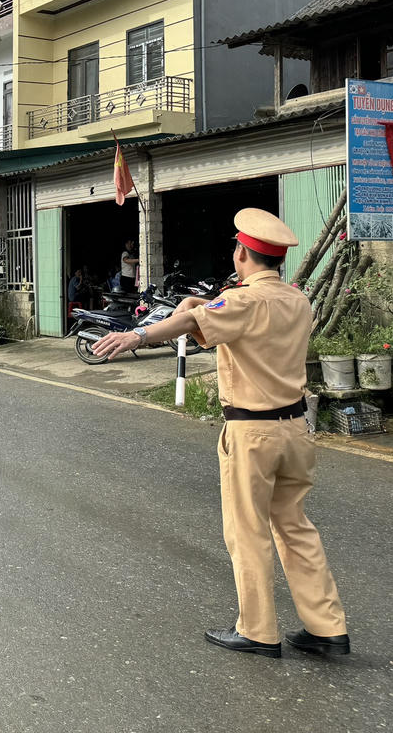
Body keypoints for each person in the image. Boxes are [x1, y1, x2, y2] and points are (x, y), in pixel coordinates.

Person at [93, 209, 349, 660]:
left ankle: (257, 630)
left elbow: (195, 324)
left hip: (252, 433)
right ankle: (327, 626)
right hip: (296, 429)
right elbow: (205, 316)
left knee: (247, 532)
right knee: (295, 527)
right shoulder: (296, 301)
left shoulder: (241, 302)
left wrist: (139, 335)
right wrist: (193, 307)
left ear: (242, 253)